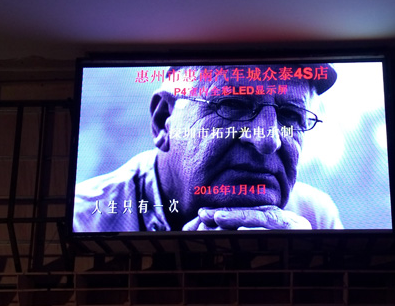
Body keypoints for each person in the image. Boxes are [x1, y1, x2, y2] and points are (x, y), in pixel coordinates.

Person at [73, 64, 344, 232]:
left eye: (291, 116)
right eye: (233, 104)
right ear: (163, 121)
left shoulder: (314, 217)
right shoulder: (82, 220)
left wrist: (309, 264)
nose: (267, 140)